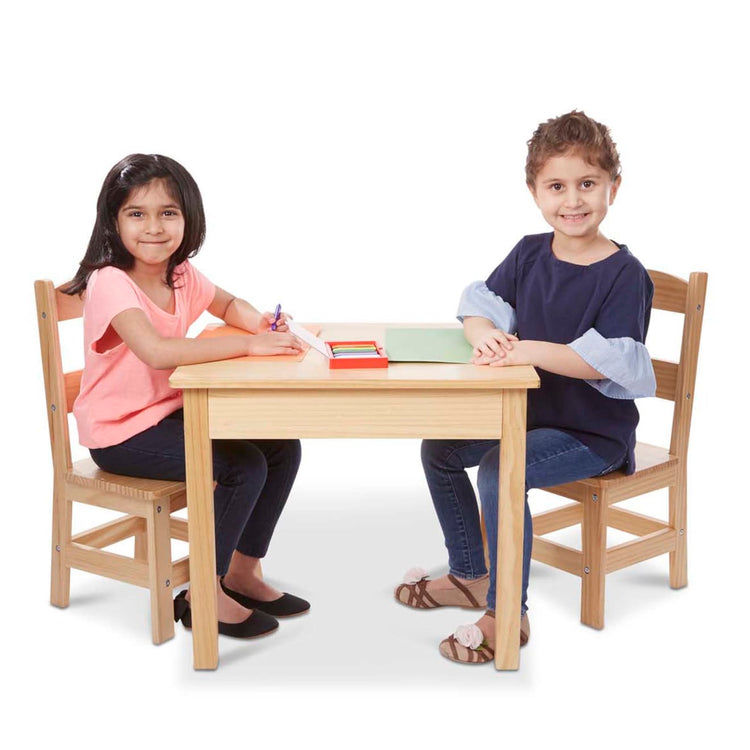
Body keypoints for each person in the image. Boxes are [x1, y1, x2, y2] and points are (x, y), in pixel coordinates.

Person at [394, 111, 656, 664]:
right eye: (556, 186)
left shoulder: (624, 274)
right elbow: (479, 304)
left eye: (587, 184)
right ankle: (469, 573)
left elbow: (612, 363)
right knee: (440, 450)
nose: (573, 200)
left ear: (614, 185)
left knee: (499, 469)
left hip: (593, 435)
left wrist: (524, 350)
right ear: (534, 191)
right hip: (529, 419)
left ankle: (508, 611)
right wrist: (486, 333)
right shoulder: (530, 252)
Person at [65, 153, 310, 640]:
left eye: (168, 213)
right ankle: (203, 592)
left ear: (188, 219)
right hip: (120, 434)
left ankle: (241, 572)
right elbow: (155, 352)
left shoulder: (179, 274)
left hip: (165, 417)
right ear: (113, 221)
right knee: (241, 467)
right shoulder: (111, 281)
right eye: (137, 213)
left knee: (280, 445)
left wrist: (260, 321)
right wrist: (248, 344)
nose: (153, 227)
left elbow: (226, 303)